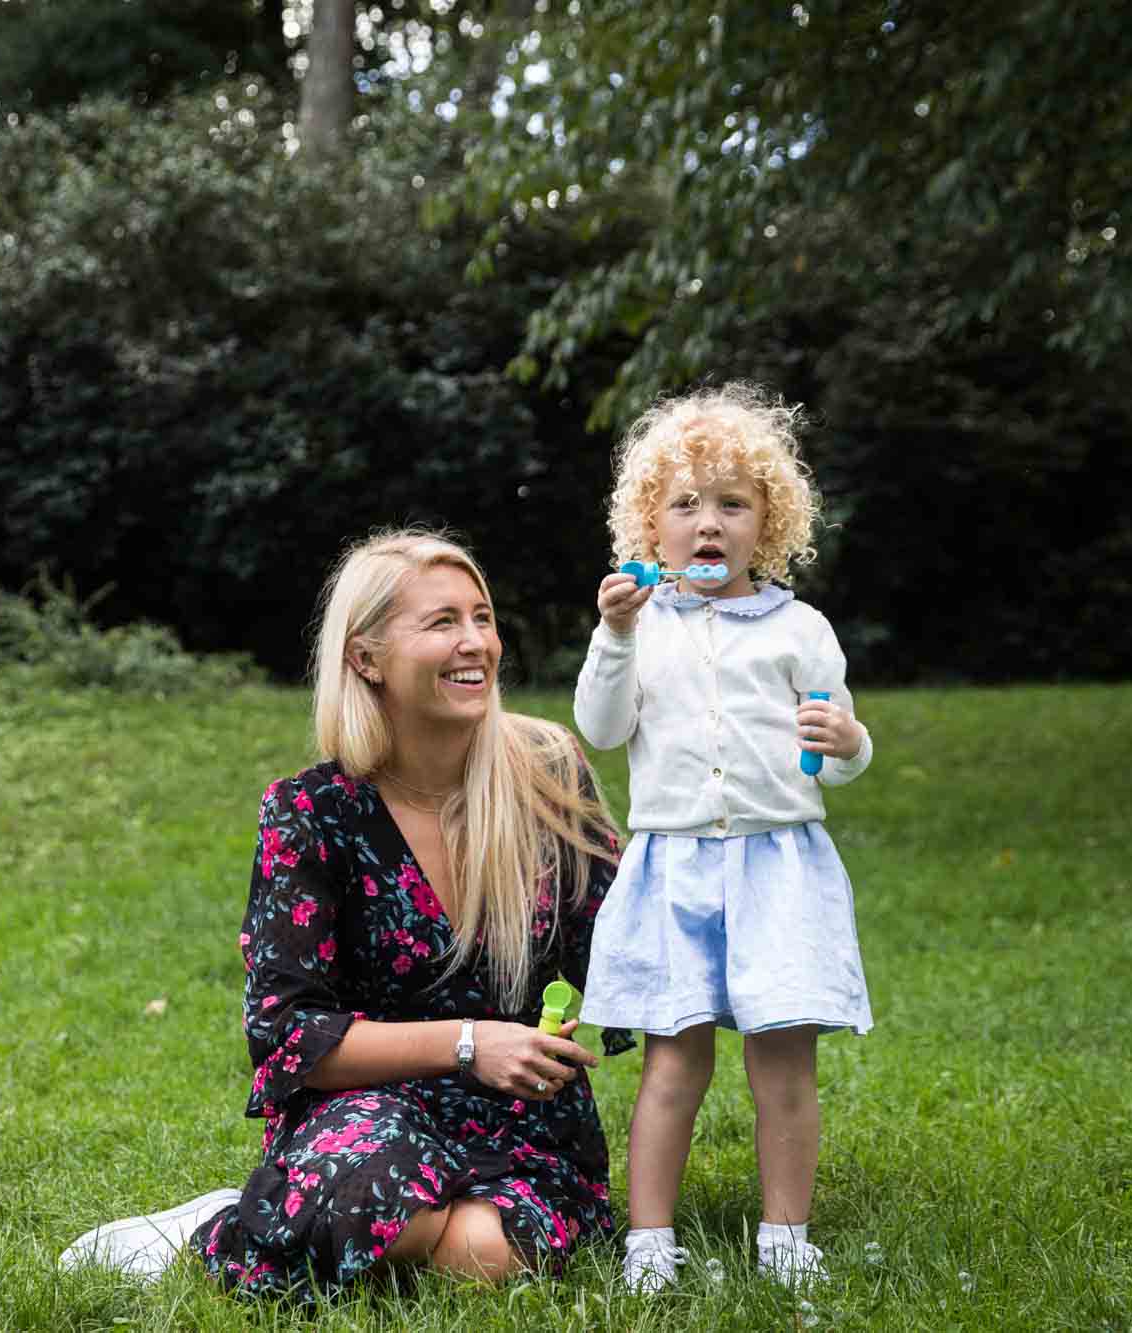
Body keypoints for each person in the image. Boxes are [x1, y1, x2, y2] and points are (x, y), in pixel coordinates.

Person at [59, 528, 635, 1298]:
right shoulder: (310, 812)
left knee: (483, 1257)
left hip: (520, 1110)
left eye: (482, 617)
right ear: (365, 658)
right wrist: (470, 1042)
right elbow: (290, 1034)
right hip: (366, 1104)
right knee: (383, 1205)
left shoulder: (546, 772)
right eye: (442, 623)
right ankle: (233, 1220)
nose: (476, 644)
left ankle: (295, 1213)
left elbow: (627, 944)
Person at [572, 382, 874, 1293]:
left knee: (783, 1058)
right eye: (686, 505)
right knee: (674, 1056)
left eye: (733, 505)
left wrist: (850, 745)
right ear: (649, 526)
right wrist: (615, 634)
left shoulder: (800, 628)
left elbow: (840, 743)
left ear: (768, 524)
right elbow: (600, 725)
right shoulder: (638, 627)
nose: (709, 524)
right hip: (674, 864)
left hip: (779, 862)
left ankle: (785, 1239)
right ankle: (649, 1245)